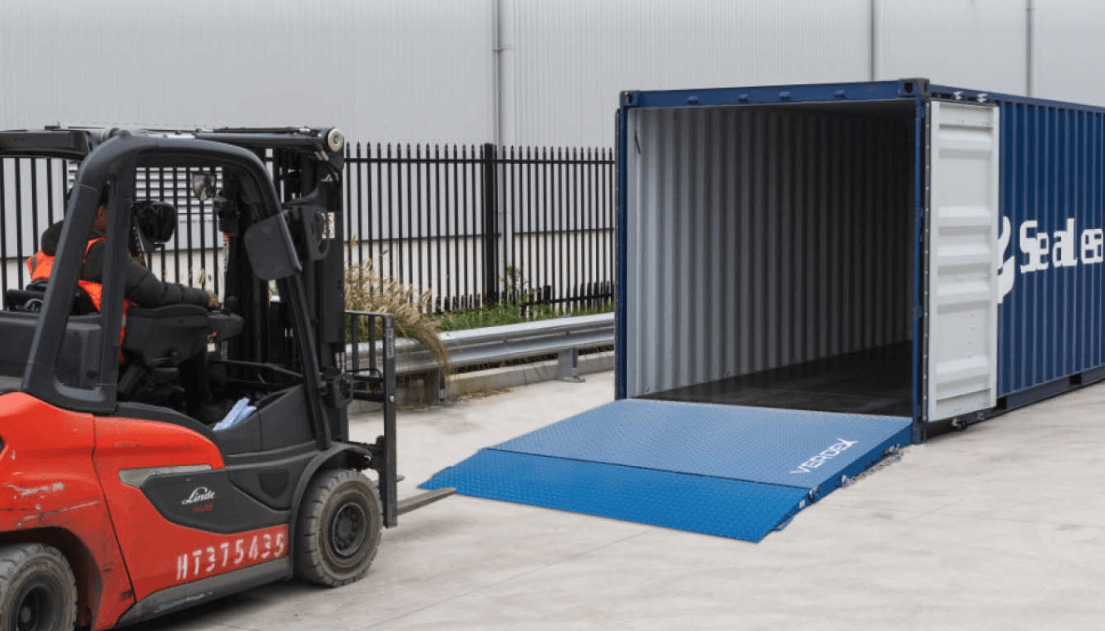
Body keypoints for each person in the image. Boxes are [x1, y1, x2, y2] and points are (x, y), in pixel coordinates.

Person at [26, 188, 218, 311]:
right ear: (101, 213)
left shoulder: (46, 254)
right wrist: (203, 297)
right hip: (115, 350)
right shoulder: (101, 252)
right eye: (115, 212)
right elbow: (155, 294)